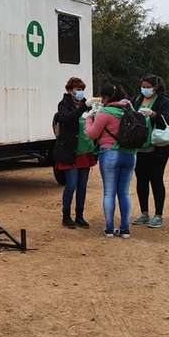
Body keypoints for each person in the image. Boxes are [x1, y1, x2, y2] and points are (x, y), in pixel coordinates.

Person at [86, 84, 137, 238]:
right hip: (129, 154)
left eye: (102, 97)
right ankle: (125, 229)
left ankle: (109, 228)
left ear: (106, 97)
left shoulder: (105, 112)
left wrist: (88, 119)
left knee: (109, 193)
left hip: (109, 154)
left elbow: (93, 134)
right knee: (124, 193)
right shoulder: (129, 110)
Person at [131, 75, 169, 229]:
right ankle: (144, 213)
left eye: (147, 86)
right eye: (142, 86)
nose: (144, 89)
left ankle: (158, 215)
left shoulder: (164, 101)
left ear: (155, 87)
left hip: (158, 148)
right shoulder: (137, 100)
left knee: (156, 180)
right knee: (141, 181)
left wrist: (154, 115)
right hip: (140, 148)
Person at [52, 77, 97, 229]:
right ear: (70, 90)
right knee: (71, 184)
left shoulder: (87, 105)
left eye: (81, 89)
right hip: (70, 151)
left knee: (82, 186)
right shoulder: (64, 104)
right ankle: (66, 216)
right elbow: (67, 119)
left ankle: (79, 215)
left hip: (85, 151)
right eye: (77, 89)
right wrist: (83, 107)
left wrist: (94, 110)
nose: (79, 92)